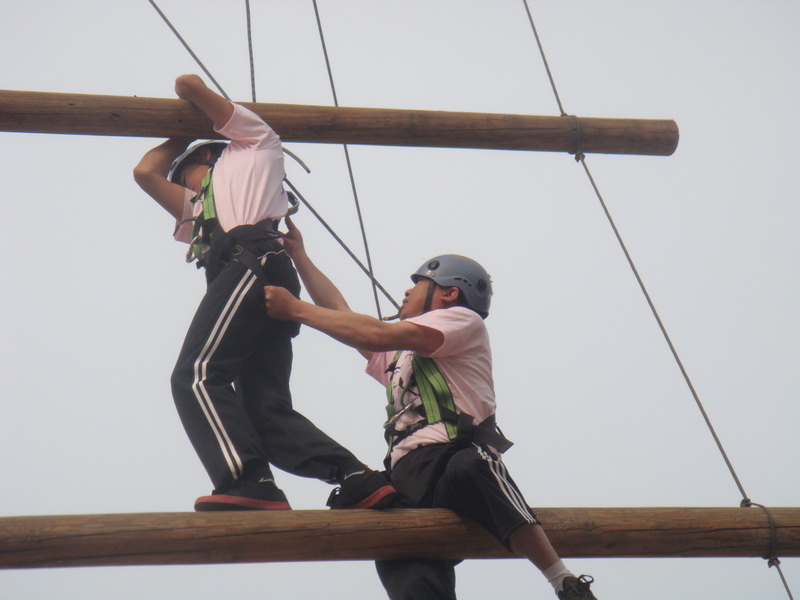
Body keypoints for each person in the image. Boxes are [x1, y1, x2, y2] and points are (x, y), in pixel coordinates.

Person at [263, 219, 599, 600]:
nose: (407, 290)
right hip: (406, 475)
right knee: (406, 569)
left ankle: (562, 579)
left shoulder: (462, 322)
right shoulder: (402, 353)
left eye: (419, 283)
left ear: (449, 293)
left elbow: (374, 332)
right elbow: (340, 311)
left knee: (471, 466)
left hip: (452, 458)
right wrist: (300, 257)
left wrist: (295, 310)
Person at [132, 74, 395, 512]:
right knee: (265, 411)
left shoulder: (256, 145)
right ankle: (356, 478)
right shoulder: (201, 210)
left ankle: (248, 480)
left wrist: (192, 127)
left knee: (196, 374)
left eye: (187, 174)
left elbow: (188, 84)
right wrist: (180, 139)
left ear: (212, 154)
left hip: (251, 262)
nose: (185, 186)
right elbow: (145, 172)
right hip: (257, 273)